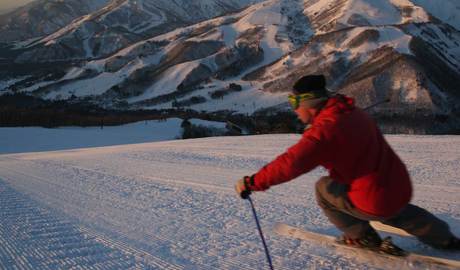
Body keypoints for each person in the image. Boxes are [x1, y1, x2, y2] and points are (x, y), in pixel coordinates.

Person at [235, 75, 460, 252]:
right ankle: (444, 238)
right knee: (397, 209)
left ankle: (361, 237)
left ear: (309, 102)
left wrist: (252, 182)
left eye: (294, 102)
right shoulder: (352, 112)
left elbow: (290, 164)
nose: (293, 109)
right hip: (400, 187)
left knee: (324, 188)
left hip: (375, 199)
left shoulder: (323, 132)